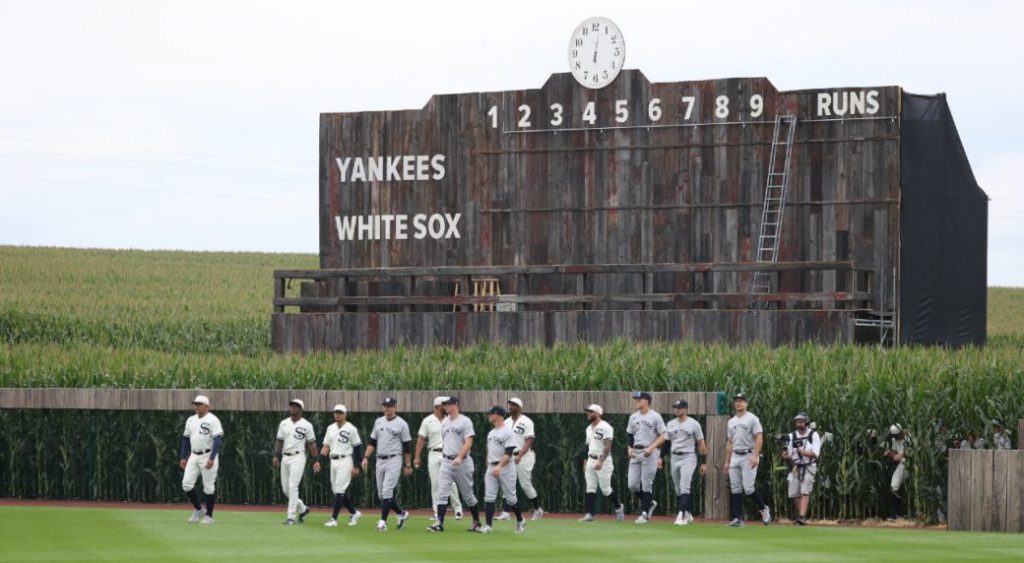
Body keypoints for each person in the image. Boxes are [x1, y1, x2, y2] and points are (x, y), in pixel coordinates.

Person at [428, 396, 482, 532]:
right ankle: (439, 524)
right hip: (446, 461)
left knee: (468, 495)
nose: (445, 406)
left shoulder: (465, 421)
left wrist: (459, 456)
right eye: (444, 404)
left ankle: (476, 521)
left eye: (448, 404)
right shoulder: (445, 422)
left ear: (455, 405)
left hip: (462, 463)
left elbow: (469, 441)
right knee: (442, 493)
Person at [360, 397, 413, 532]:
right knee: (382, 495)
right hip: (380, 459)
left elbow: (407, 446)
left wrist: (407, 465)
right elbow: (372, 442)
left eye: (389, 406)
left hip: (394, 459)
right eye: (385, 406)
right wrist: (366, 457)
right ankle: (402, 514)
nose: (387, 408)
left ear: (395, 407)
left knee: (387, 490)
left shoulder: (402, 424)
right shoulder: (378, 421)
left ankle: (382, 522)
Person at [477, 405, 526, 534]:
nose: (489, 416)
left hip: (506, 467)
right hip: (492, 467)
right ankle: (488, 526)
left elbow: (509, 452)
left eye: (491, 414)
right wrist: (489, 466)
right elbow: (491, 451)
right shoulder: (491, 433)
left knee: (510, 498)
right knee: (489, 496)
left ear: (498, 415)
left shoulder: (508, 432)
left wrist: (499, 466)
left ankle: (520, 520)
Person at [724, 393, 770, 527]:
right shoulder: (731, 421)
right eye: (736, 401)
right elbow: (729, 442)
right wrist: (727, 461)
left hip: (748, 455)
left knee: (748, 488)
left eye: (741, 401)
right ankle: (738, 518)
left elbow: (759, 438)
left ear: (746, 403)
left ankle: (764, 509)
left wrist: (756, 456)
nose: (738, 403)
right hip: (735, 456)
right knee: (735, 488)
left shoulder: (752, 419)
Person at [414, 396, 464, 521]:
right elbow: (421, 439)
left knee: (451, 483)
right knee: (435, 483)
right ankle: (437, 512)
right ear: (437, 406)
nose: (447, 406)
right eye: (444, 404)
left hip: (449, 454)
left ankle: (458, 509)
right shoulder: (428, 421)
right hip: (433, 453)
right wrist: (417, 457)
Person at [273, 399, 321, 525]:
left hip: (298, 457)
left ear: (301, 409)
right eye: (292, 406)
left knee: (293, 486)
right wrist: (276, 455)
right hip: (285, 456)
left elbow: (312, 444)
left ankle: (291, 517)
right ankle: (303, 509)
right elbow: (279, 441)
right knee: (286, 489)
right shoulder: (284, 423)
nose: (293, 408)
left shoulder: (307, 425)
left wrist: (316, 460)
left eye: (296, 406)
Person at [496, 398, 543, 521]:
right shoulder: (506, 422)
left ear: (519, 407)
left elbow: (529, 440)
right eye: (510, 404)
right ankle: (506, 512)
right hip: (509, 456)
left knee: (525, 484)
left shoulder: (527, 421)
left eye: (514, 405)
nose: (511, 407)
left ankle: (537, 509)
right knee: (507, 482)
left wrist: (520, 455)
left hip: (524, 456)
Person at [662, 399, 707, 526]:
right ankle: (687, 512)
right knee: (677, 489)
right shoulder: (670, 424)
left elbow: (701, 443)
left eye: (680, 407)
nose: (677, 409)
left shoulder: (694, 424)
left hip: (688, 457)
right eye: (676, 407)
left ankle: (680, 515)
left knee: (684, 486)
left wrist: (704, 462)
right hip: (675, 457)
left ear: (686, 409)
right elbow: (667, 443)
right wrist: (661, 457)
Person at [180, 394, 223, 524]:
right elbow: (186, 438)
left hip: (207, 455)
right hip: (193, 455)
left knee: (208, 487)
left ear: (206, 406)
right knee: (186, 484)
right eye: (195, 404)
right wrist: (183, 456)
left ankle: (209, 516)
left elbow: (218, 439)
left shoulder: (213, 420)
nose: (196, 407)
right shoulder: (191, 420)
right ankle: (199, 509)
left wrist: (212, 457)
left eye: (199, 404)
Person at [578, 404, 625, 522]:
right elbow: (587, 446)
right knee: (590, 487)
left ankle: (619, 507)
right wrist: (585, 461)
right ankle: (590, 514)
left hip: (603, 461)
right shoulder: (588, 428)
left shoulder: (606, 426)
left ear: (598, 413)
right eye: (587, 412)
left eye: (591, 412)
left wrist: (601, 460)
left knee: (605, 489)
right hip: (590, 459)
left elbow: (608, 445)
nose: (588, 414)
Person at [320, 404, 363, 528]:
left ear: (345, 414)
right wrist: (318, 460)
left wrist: (356, 466)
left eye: (340, 413)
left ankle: (333, 519)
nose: (338, 415)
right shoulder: (330, 428)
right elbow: (326, 446)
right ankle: (354, 513)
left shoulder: (351, 428)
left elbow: (357, 447)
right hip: (333, 460)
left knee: (339, 489)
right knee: (337, 491)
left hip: (345, 460)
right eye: (336, 412)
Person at [626, 391, 666, 524]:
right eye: (636, 399)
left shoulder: (655, 416)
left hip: (649, 452)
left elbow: (663, 435)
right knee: (632, 485)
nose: (636, 401)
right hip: (636, 452)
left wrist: (652, 447)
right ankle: (648, 502)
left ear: (647, 401)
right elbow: (629, 434)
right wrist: (629, 448)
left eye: (639, 399)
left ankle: (644, 515)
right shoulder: (633, 417)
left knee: (646, 484)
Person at [782, 413, 820, 525]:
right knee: (794, 493)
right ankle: (801, 517)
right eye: (797, 422)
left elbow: (815, 453)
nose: (799, 424)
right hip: (795, 467)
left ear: (806, 422)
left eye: (801, 421)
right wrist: (786, 454)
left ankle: (802, 516)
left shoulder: (813, 435)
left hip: (809, 466)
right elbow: (787, 453)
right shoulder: (791, 436)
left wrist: (801, 452)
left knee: (804, 491)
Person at [883, 424, 910, 521]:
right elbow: (895, 453)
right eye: (893, 436)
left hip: (913, 464)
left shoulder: (909, 437)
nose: (895, 438)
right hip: (903, 465)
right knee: (894, 485)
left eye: (897, 435)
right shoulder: (895, 440)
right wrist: (890, 453)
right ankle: (896, 514)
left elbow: (917, 448)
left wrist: (903, 454)